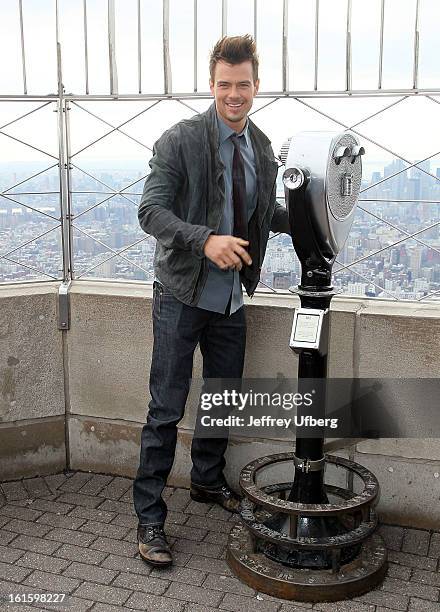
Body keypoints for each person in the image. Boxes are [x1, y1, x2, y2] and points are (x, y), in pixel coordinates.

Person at [133, 34, 290, 568]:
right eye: (225, 85)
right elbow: (150, 213)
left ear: (256, 86)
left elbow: (265, 214)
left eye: (242, 85)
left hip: (230, 301)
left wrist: (319, 217)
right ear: (211, 85)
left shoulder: (262, 147)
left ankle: (205, 481)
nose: (234, 94)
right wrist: (206, 239)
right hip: (181, 294)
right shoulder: (180, 141)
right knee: (165, 408)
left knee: (221, 399)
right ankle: (150, 519)